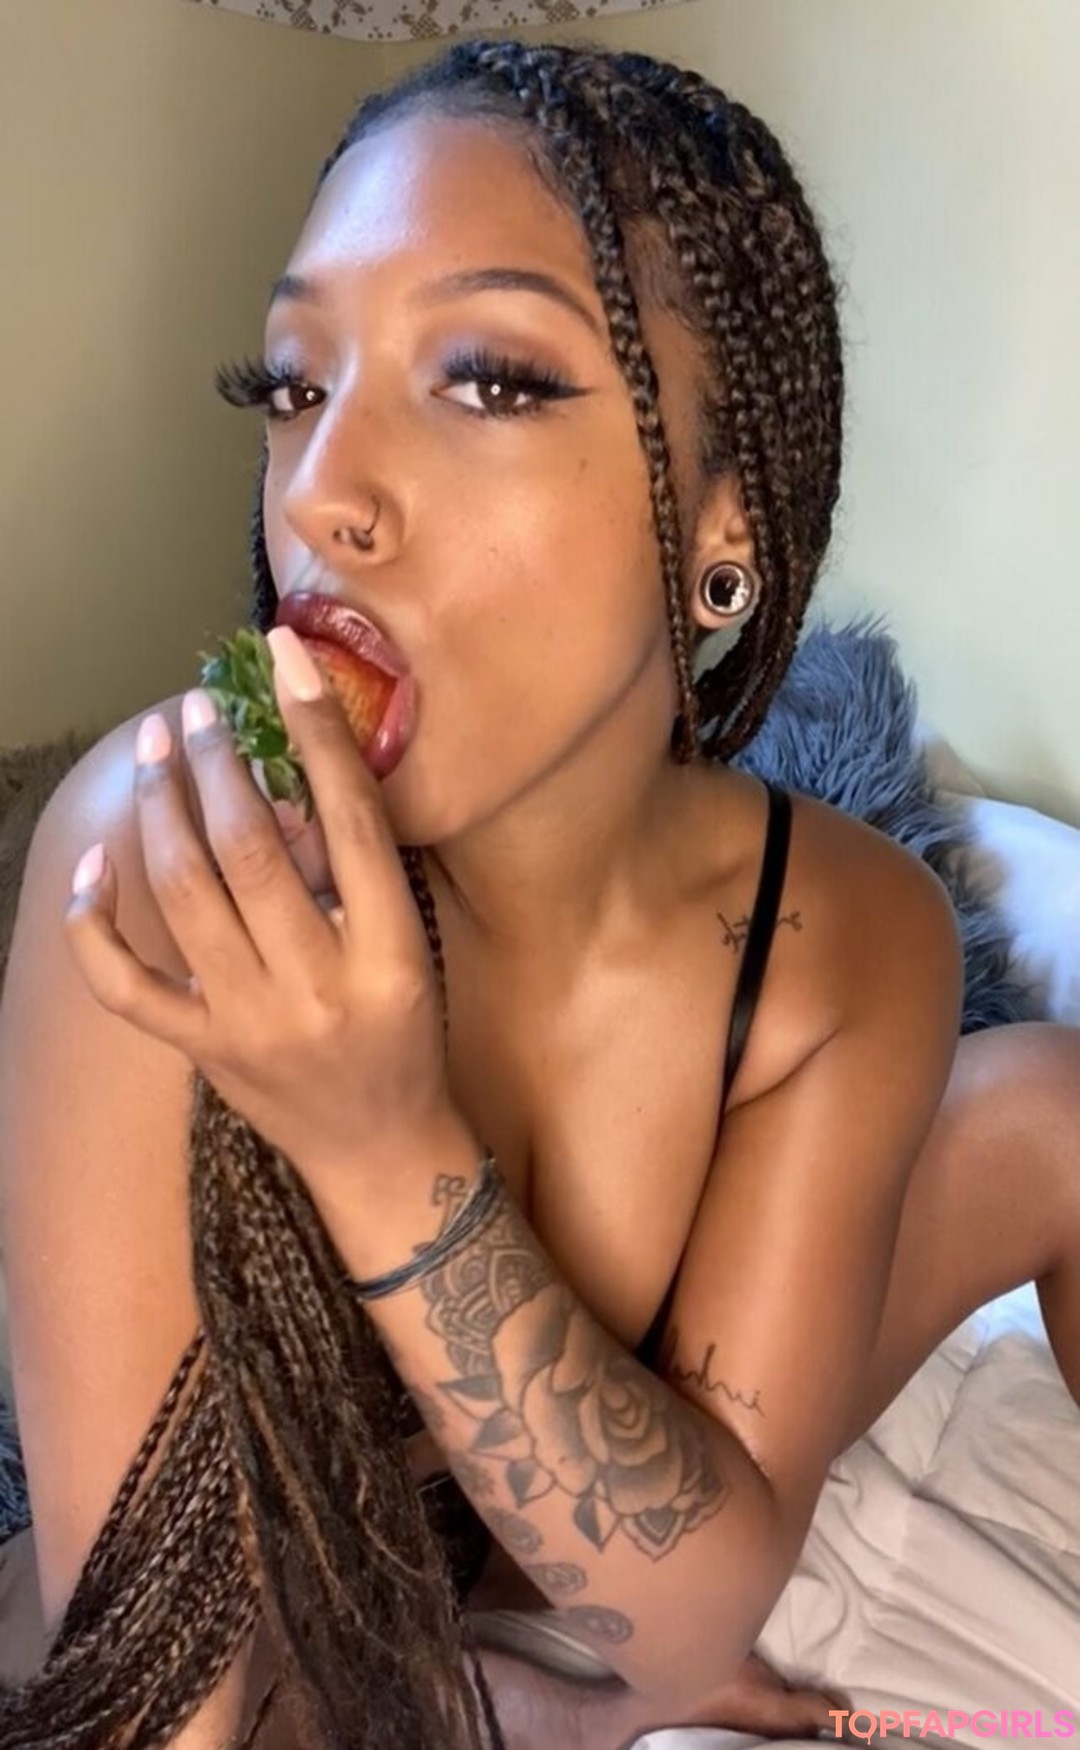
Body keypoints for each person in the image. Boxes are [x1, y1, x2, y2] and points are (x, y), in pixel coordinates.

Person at [0, 34, 1077, 1750]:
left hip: (565, 1545)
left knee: (1052, 1113)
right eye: (292, 384)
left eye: (488, 380)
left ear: (721, 532)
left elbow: (700, 1593)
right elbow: (157, 1707)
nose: (321, 494)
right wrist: (499, 1703)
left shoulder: (840, 931)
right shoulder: (162, 865)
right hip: (273, 1632)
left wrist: (387, 1153)